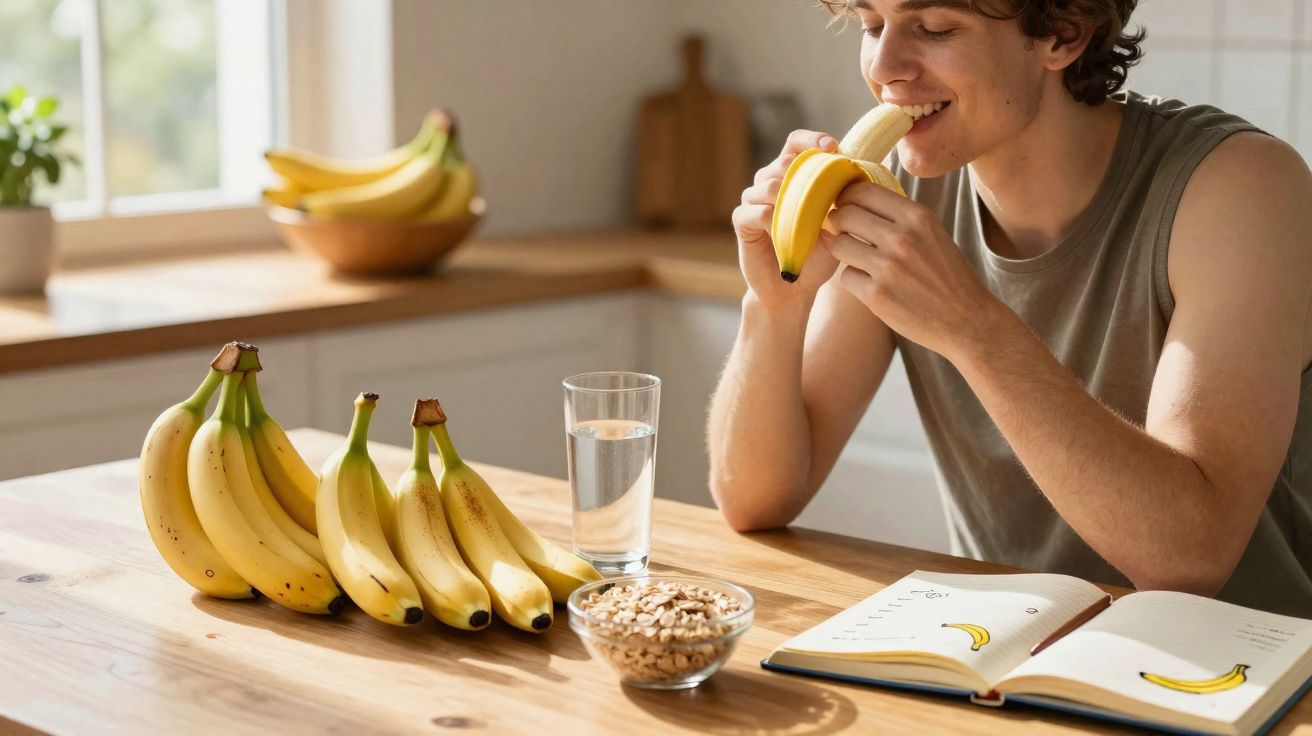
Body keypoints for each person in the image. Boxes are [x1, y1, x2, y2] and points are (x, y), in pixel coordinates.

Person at [707, 0, 1312, 616]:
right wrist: (776, 305)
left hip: (1250, 674)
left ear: (1064, 33)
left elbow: (1188, 560)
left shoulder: (1241, 187)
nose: (885, 67)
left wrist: (973, 328)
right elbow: (755, 500)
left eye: (935, 28)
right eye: (871, 25)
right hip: (1006, 655)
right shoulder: (896, 188)